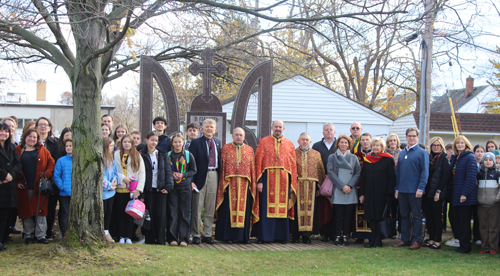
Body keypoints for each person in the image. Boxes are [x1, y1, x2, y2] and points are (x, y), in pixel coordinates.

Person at [252, 120, 297, 244]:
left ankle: (281, 236)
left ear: (283, 128)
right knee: (265, 208)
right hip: (267, 179)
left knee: (283, 209)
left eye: (280, 127)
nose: (278, 128)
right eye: (276, 126)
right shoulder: (263, 142)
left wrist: (292, 183)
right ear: (272, 127)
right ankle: (263, 236)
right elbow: (258, 161)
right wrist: (259, 181)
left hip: (284, 180)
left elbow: (293, 165)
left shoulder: (289, 144)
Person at [215, 128, 257, 244]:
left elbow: (252, 169)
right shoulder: (226, 149)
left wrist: (253, 184)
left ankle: (243, 237)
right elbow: (222, 168)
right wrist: (222, 184)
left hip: (245, 184)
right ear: (232, 136)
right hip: (229, 183)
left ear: (244, 137)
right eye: (236, 135)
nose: (239, 137)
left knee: (245, 210)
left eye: (241, 135)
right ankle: (228, 236)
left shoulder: (249, 150)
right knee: (227, 210)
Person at [16, 129, 55, 244]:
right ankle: (28, 235)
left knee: (40, 210)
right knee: (26, 210)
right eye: (30, 136)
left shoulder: (42, 150)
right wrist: (17, 181)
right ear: (25, 137)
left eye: (34, 137)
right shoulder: (18, 150)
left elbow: (51, 163)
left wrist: (46, 175)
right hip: (24, 186)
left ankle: (41, 235)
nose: (32, 139)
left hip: (39, 186)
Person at [393, 127, 429, 250]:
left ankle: (416, 240)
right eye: (409, 136)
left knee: (417, 216)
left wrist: (421, 188)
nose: (412, 138)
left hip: (415, 191)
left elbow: (425, 172)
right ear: (406, 137)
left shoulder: (422, 153)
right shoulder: (402, 153)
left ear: (417, 137)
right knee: (403, 215)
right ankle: (404, 239)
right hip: (402, 190)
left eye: (414, 136)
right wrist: (397, 189)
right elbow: (399, 173)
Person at [359, 137, 396, 248]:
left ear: (382, 147)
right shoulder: (368, 159)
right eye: (374, 145)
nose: (375, 147)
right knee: (372, 217)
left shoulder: (388, 159)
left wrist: (389, 194)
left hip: (382, 194)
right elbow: (364, 177)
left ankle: (378, 241)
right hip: (370, 193)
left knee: (379, 217)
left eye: (378, 145)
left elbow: (392, 178)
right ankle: (373, 239)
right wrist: (362, 194)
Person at [189, 119, 222, 244]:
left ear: (215, 129)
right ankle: (196, 234)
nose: (209, 129)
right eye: (207, 127)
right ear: (203, 129)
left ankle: (207, 234)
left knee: (210, 207)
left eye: (211, 127)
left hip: (214, 175)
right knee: (197, 206)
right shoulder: (196, 142)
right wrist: (191, 180)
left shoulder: (218, 142)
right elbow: (190, 163)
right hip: (199, 177)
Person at [140, 132, 174, 245]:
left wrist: (169, 186)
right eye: (152, 140)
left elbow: (168, 171)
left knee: (160, 215)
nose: (153, 142)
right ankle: (149, 239)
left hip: (161, 190)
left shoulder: (162, 153)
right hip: (148, 189)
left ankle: (160, 240)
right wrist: (141, 194)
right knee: (149, 215)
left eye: (156, 140)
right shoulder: (142, 155)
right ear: (146, 140)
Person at [291, 132, 325, 244]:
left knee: (310, 211)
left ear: (310, 142)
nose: (305, 141)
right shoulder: (293, 153)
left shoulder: (316, 154)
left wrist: (320, 187)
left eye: (307, 140)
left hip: (312, 186)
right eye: (302, 139)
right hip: (297, 186)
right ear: (298, 141)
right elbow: (290, 169)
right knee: (296, 211)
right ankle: (295, 235)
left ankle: (307, 236)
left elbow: (320, 171)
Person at [327, 134, 361, 246]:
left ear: (349, 145)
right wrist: (342, 186)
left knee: (348, 215)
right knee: (338, 214)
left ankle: (345, 236)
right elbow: (331, 173)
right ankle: (337, 236)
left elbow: (357, 173)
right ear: (338, 144)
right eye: (341, 142)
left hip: (350, 190)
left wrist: (349, 186)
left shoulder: (354, 157)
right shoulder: (332, 157)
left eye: (346, 143)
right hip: (338, 189)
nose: (343, 144)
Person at [113, 134, 145, 244]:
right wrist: (123, 178)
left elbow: (142, 174)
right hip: (120, 189)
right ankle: (121, 236)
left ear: (132, 144)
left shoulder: (137, 155)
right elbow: (113, 170)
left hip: (132, 191)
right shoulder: (116, 155)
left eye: (129, 142)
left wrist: (138, 190)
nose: (127, 144)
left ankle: (129, 236)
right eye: (124, 142)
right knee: (120, 214)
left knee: (130, 215)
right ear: (121, 143)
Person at [167, 134, 197, 247]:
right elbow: (165, 169)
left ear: (183, 142)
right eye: (175, 142)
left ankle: (184, 239)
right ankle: (172, 238)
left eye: (179, 142)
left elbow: (193, 170)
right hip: (172, 188)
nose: (177, 144)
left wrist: (183, 175)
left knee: (184, 213)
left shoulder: (189, 155)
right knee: (172, 213)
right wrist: (172, 175)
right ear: (172, 143)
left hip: (185, 187)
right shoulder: (168, 155)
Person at [449, 135, 477, 254]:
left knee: (464, 222)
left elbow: (471, 178)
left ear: (466, 144)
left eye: (462, 143)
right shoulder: (456, 158)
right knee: (456, 221)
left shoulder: (470, 157)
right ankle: (461, 244)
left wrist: (464, 194)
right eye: (457, 143)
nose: (460, 145)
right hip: (455, 195)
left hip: (465, 196)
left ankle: (465, 247)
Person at [421, 137, 449, 250]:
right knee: (429, 217)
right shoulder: (428, 158)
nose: (436, 147)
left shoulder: (444, 159)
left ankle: (438, 240)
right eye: (434, 145)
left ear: (441, 146)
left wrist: (438, 191)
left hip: (437, 192)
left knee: (437, 217)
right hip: (427, 191)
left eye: (438, 145)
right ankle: (431, 238)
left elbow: (444, 177)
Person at [36, 117, 60, 240]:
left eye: (45, 125)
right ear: (36, 127)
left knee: (50, 207)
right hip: (34, 179)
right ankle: (36, 233)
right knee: (36, 206)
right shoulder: (32, 141)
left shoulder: (54, 143)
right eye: (40, 124)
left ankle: (48, 231)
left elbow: (55, 161)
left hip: (50, 180)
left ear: (50, 128)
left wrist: (49, 175)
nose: (43, 127)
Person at [312, 123, 336, 242]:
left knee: (334, 208)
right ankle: (324, 233)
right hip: (322, 182)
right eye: (326, 130)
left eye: (331, 130)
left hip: (336, 182)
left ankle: (334, 232)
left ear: (334, 132)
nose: (328, 132)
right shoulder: (316, 146)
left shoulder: (339, 145)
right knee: (323, 209)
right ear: (323, 132)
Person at [0, 123, 21, 251]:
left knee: (4, 215)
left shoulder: (11, 148)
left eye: (6, 132)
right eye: (1, 131)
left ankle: (1, 239)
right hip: (1, 183)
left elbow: (18, 163)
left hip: (8, 186)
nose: (4, 134)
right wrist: (4, 174)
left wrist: (11, 174)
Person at [477, 152, 500, 255]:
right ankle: (484, 246)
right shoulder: (479, 172)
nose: (488, 162)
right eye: (486, 160)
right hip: (481, 204)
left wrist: (497, 198)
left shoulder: (497, 173)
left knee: (493, 227)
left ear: (493, 162)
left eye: (490, 160)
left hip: (494, 205)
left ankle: (493, 248)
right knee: (483, 227)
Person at [352, 133, 373, 243]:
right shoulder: (356, 155)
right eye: (363, 140)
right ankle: (360, 235)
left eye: (367, 140)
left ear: (371, 141)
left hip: (372, 189)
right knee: (358, 211)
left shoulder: (375, 155)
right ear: (360, 142)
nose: (365, 142)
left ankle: (370, 235)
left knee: (369, 210)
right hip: (358, 186)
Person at [53, 138, 73, 237]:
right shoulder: (61, 161)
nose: (68, 148)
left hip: (77, 193)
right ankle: (65, 233)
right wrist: (62, 186)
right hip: (65, 192)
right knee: (65, 213)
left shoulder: (80, 160)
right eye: (67, 146)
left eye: (70, 146)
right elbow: (56, 176)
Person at [102, 137, 118, 243]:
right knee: (103, 212)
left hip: (111, 192)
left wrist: (115, 182)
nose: (113, 148)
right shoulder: (101, 160)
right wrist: (108, 185)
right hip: (103, 192)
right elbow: (101, 176)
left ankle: (106, 231)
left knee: (109, 212)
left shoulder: (111, 160)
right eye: (111, 146)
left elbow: (115, 173)